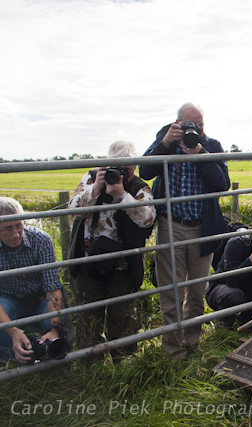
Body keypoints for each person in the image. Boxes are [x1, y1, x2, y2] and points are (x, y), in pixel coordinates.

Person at [139, 102, 230, 360]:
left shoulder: (212, 146)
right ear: (177, 123)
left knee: (197, 293)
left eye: (200, 124)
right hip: (172, 226)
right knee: (172, 293)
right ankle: (173, 353)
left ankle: (191, 345)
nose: (196, 129)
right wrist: (166, 143)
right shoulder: (165, 139)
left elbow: (222, 183)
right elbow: (145, 170)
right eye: (191, 124)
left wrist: (200, 154)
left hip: (203, 229)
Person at [68, 140, 155, 360]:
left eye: (127, 168)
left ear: (134, 167)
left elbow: (147, 220)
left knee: (123, 319)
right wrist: (96, 189)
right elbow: (74, 210)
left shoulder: (138, 187)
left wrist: (122, 196)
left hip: (122, 265)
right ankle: (90, 368)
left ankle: (123, 367)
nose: (121, 173)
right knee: (87, 318)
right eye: (115, 167)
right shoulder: (91, 178)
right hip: (88, 262)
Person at [0, 197, 65, 364]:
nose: (15, 234)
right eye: (8, 228)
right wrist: (13, 331)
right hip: (8, 299)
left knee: (58, 321)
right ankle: (13, 365)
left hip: (40, 298)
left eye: (19, 226)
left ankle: (53, 362)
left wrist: (54, 329)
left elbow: (52, 288)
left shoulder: (41, 240)